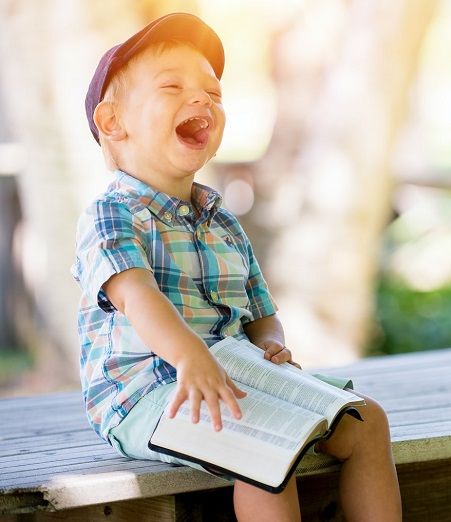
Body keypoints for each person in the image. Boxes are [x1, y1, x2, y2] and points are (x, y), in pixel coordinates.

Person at [72, 12, 401, 521]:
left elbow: (260, 310)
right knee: (267, 445)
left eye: (213, 91)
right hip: (146, 394)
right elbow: (137, 296)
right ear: (114, 122)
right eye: (172, 86)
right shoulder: (112, 214)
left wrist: (270, 342)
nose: (202, 98)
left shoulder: (221, 220)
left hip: (234, 376)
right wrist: (189, 357)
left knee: (366, 420)